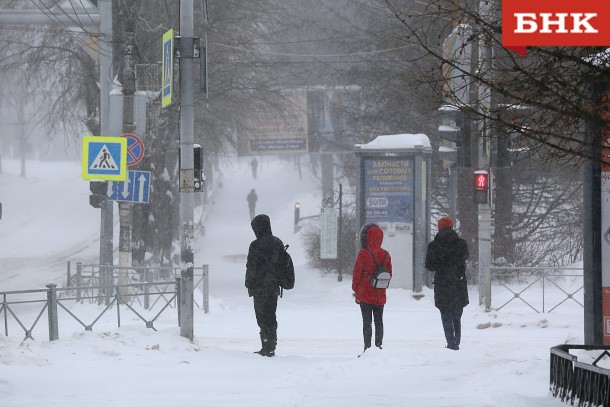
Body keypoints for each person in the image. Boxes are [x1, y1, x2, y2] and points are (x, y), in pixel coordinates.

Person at [425, 216, 469, 351]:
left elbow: (429, 266)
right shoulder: (461, 243)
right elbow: (465, 257)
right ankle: (457, 341)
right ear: (451, 226)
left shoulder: (434, 245)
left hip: (442, 283)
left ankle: (451, 342)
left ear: (439, 227)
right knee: (457, 313)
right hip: (458, 281)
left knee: (445, 313)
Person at [245, 214, 287, 357]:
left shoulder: (255, 245)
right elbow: (282, 264)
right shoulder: (277, 243)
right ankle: (271, 344)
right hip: (273, 287)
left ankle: (266, 345)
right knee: (271, 315)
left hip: (259, 288)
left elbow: (251, 267)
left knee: (261, 317)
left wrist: (249, 284)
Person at [352, 223, 392, 354]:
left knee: (367, 322)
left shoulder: (363, 253)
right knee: (379, 321)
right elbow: (389, 274)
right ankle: (379, 346)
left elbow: (357, 273)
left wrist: (356, 290)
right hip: (380, 295)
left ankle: (367, 348)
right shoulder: (386, 254)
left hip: (365, 294)